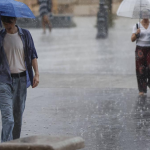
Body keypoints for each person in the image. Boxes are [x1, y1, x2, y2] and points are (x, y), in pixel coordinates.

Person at [0, 16, 39, 142]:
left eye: (10, 21)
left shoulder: (25, 34)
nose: (7, 24)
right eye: (4, 21)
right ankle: (5, 146)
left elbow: (33, 54)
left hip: (21, 80)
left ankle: (14, 145)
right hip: (4, 81)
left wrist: (36, 74)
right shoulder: (0, 36)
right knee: (8, 119)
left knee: (17, 119)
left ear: (15, 20)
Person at [131, 9, 150, 96]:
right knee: (140, 70)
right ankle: (141, 90)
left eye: (147, 14)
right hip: (140, 50)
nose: (145, 16)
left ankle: (148, 83)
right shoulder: (137, 25)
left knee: (149, 68)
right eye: (144, 15)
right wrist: (136, 33)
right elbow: (132, 39)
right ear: (141, 15)